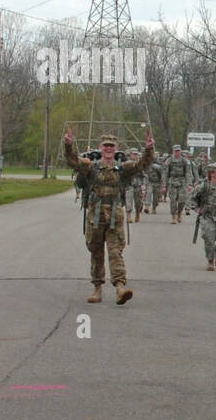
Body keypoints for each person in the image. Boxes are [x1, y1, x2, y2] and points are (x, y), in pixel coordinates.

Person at [64, 128, 154, 304]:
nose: (108, 149)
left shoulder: (123, 168)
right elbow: (72, 161)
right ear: (100, 147)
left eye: (111, 146)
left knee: (115, 252)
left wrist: (149, 149)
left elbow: (142, 164)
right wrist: (68, 145)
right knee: (96, 252)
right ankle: (97, 289)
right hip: (95, 216)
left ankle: (120, 287)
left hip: (115, 216)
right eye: (106, 146)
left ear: (116, 148)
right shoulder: (91, 166)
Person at [164, 145, 192, 223]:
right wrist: (164, 185)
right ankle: (174, 216)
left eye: (178, 151)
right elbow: (165, 173)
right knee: (173, 200)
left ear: (180, 151)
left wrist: (189, 184)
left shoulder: (184, 160)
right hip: (172, 181)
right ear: (173, 151)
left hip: (182, 181)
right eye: (176, 151)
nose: (177, 152)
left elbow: (188, 172)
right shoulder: (169, 160)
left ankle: (179, 213)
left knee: (182, 200)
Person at [124, 147, 145, 223]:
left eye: (136, 154)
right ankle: (129, 216)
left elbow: (144, 175)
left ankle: (137, 214)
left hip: (138, 185)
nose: (135, 156)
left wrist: (143, 186)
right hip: (129, 185)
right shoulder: (126, 163)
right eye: (133, 154)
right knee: (128, 201)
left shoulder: (140, 164)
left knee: (138, 202)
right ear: (130, 154)